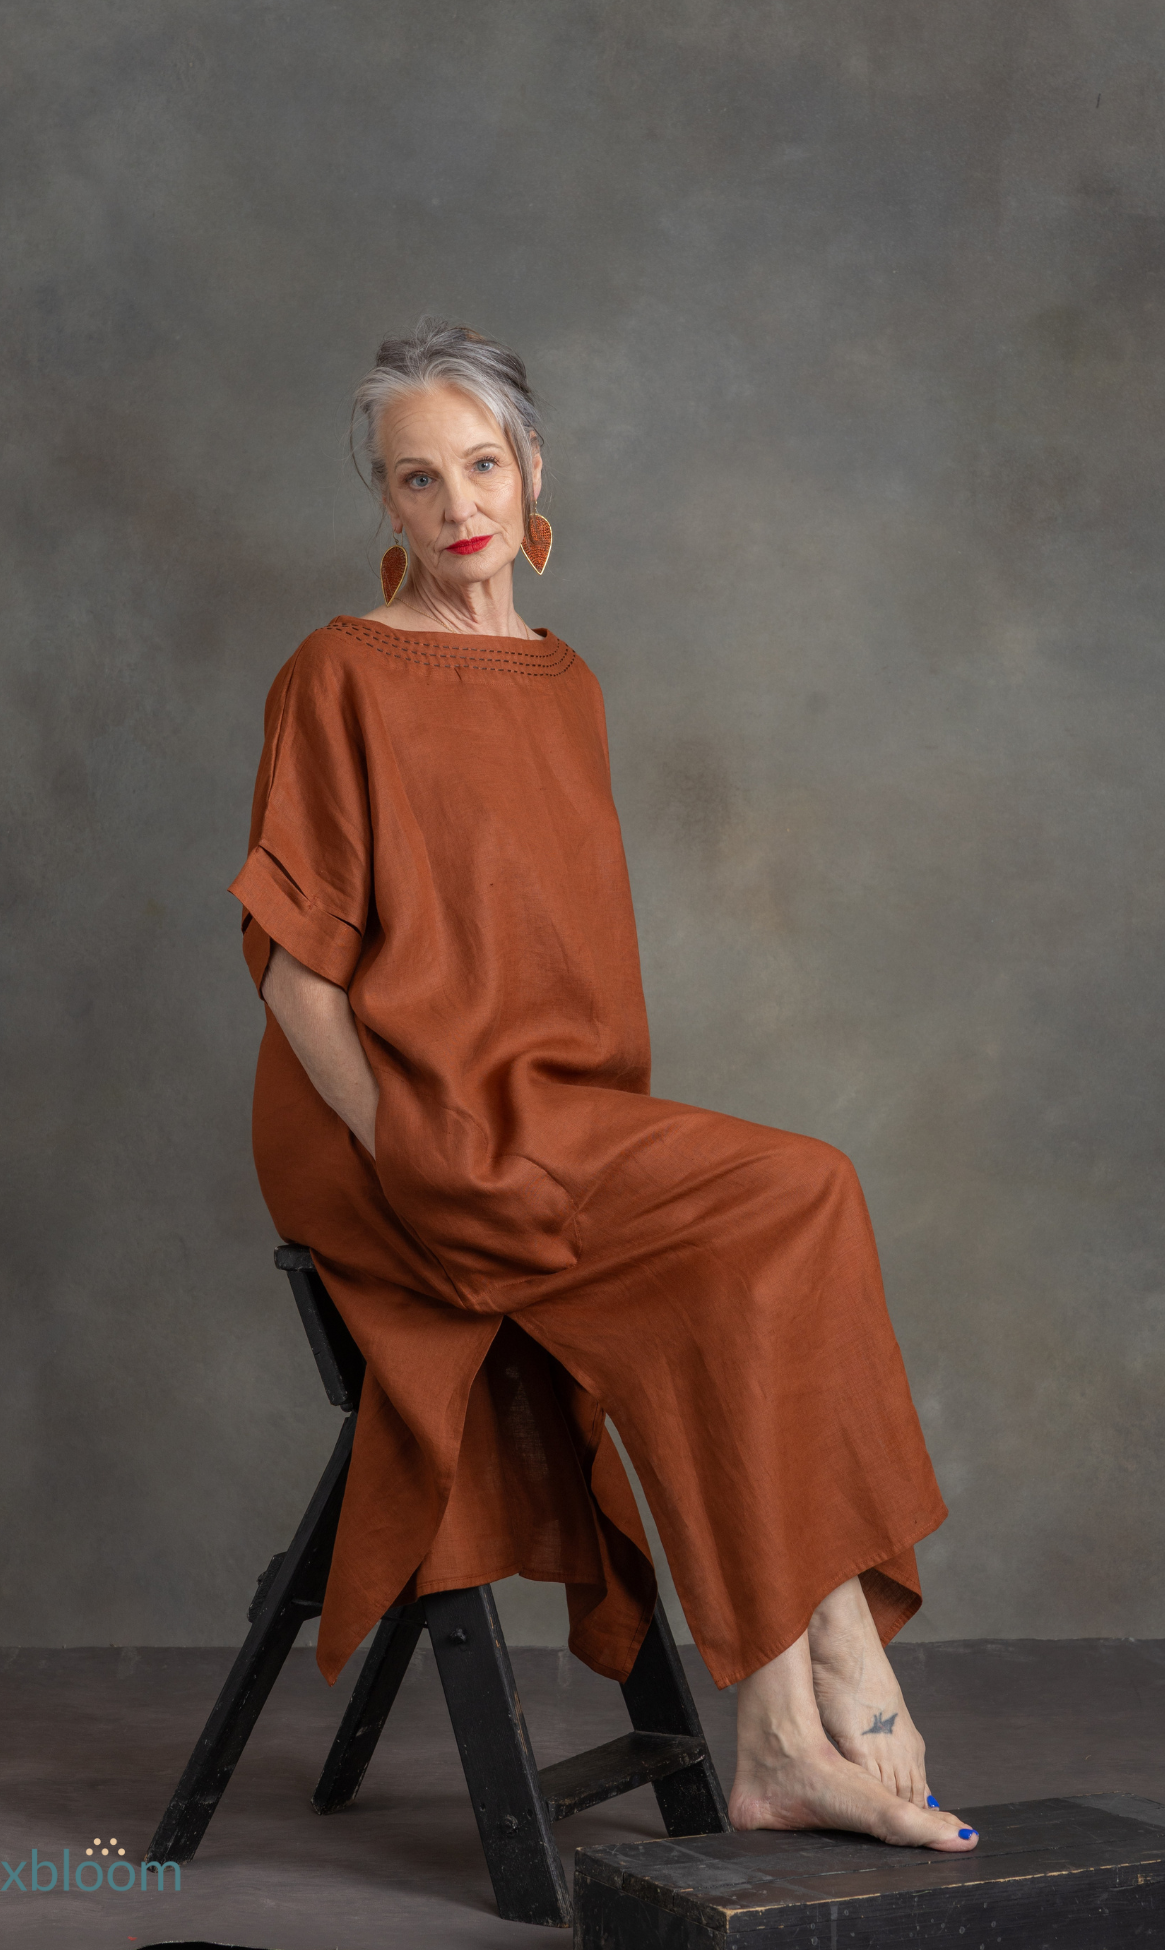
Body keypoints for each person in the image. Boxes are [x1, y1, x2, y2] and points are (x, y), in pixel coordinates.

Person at [229, 318, 977, 1854]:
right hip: (386, 1121)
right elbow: (299, 971)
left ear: (532, 468)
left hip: (558, 1113)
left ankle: (781, 1718)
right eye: (416, 478)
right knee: (763, 1223)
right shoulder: (338, 671)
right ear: (383, 503)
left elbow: (555, 978)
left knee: (777, 1216)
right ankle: (828, 1657)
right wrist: (400, 1142)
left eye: (480, 464)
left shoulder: (565, 681)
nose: (456, 505)